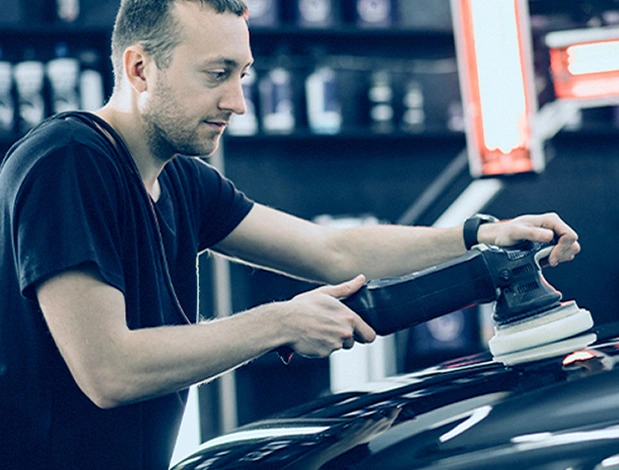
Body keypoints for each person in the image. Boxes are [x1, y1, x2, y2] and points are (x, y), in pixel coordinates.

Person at [0, 0, 581, 468]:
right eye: (217, 75)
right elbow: (109, 370)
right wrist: (279, 321)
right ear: (139, 68)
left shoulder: (181, 182)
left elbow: (333, 251)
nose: (239, 103)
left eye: (243, 74)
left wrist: (481, 233)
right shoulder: (69, 161)